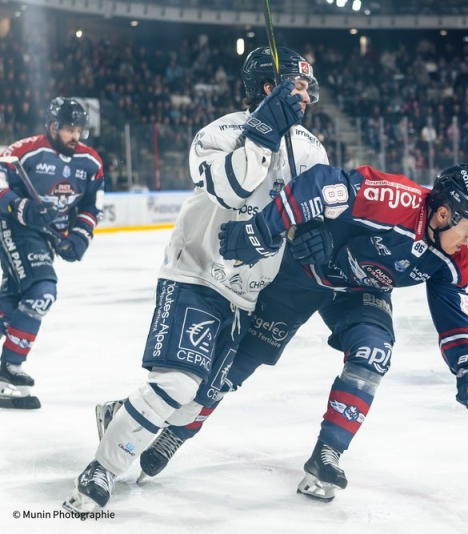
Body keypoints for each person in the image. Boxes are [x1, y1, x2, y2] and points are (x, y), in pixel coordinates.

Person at [62, 46, 328, 513]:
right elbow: (232, 189)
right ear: (271, 86)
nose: (306, 97)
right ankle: (101, 469)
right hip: (196, 273)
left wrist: (317, 235)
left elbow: (315, 210)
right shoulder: (219, 133)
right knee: (178, 383)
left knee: (198, 399)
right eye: (299, 86)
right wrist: (262, 135)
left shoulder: (310, 149)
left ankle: (118, 414)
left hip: (247, 295)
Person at [134, 162, 468, 503]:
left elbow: (452, 311)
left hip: (360, 292)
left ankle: (328, 454)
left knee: (375, 351)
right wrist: (275, 229)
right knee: (239, 364)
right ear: (443, 215)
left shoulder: (456, 257)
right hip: (302, 275)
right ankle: (175, 433)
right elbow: (320, 182)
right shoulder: (395, 199)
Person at [0, 98, 104, 410]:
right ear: (52, 126)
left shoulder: (91, 163)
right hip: (14, 228)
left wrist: (79, 238)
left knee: (15, 301)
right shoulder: (24, 152)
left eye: (79, 130)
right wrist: (24, 208)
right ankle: (9, 366)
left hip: (46, 238)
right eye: (69, 129)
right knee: (42, 291)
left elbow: (91, 207)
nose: (75, 136)